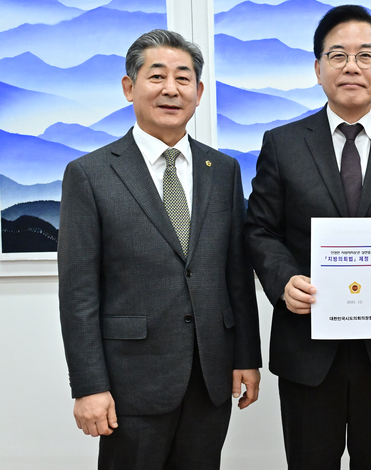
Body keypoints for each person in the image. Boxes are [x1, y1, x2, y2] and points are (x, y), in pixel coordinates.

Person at [244, 5, 371, 469]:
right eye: (337, 55)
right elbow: (260, 229)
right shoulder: (283, 143)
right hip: (307, 347)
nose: (352, 66)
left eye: (366, 55)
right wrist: (282, 281)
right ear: (318, 68)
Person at [58, 29, 262, 470]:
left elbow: (236, 273)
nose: (171, 89)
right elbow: (78, 293)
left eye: (183, 78)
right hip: (131, 382)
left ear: (198, 93)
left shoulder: (223, 170)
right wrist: (88, 385)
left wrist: (247, 356)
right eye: (156, 76)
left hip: (210, 375)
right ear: (129, 87)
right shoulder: (90, 174)